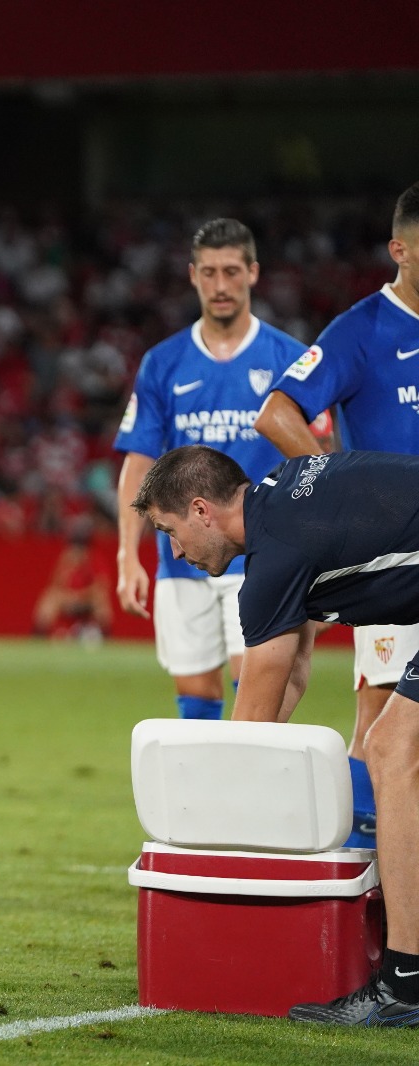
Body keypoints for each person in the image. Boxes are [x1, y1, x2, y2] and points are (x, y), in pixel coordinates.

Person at [133, 444, 419, 1026]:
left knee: (393, 751)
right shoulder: (282, 497)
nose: (175, 550)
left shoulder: (274, 560)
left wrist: (211, 840)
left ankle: (405, 987)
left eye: (170, 531)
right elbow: (291, 673)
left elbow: (250, 736)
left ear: (200, 510)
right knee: (397, 747)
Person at [253, 181, 419, 848]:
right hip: (392, 558)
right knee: (381, 720)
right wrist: (338, 487)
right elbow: (276, 412)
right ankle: (355, 875)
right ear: (400, 249)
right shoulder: (362, 330)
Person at [114, 218, 301, 723]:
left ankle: (250, 800)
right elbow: (139, 463)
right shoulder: (163, 363)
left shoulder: (288, 358)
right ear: (193, 275)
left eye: (232, 272)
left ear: (253, 273)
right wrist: (126, 554)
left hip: (259, 555)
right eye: (211, 273)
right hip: (181, 556)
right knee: (195, 696)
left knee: (257, 693)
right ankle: (205, 803)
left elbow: (314, 456)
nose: (222, 286)